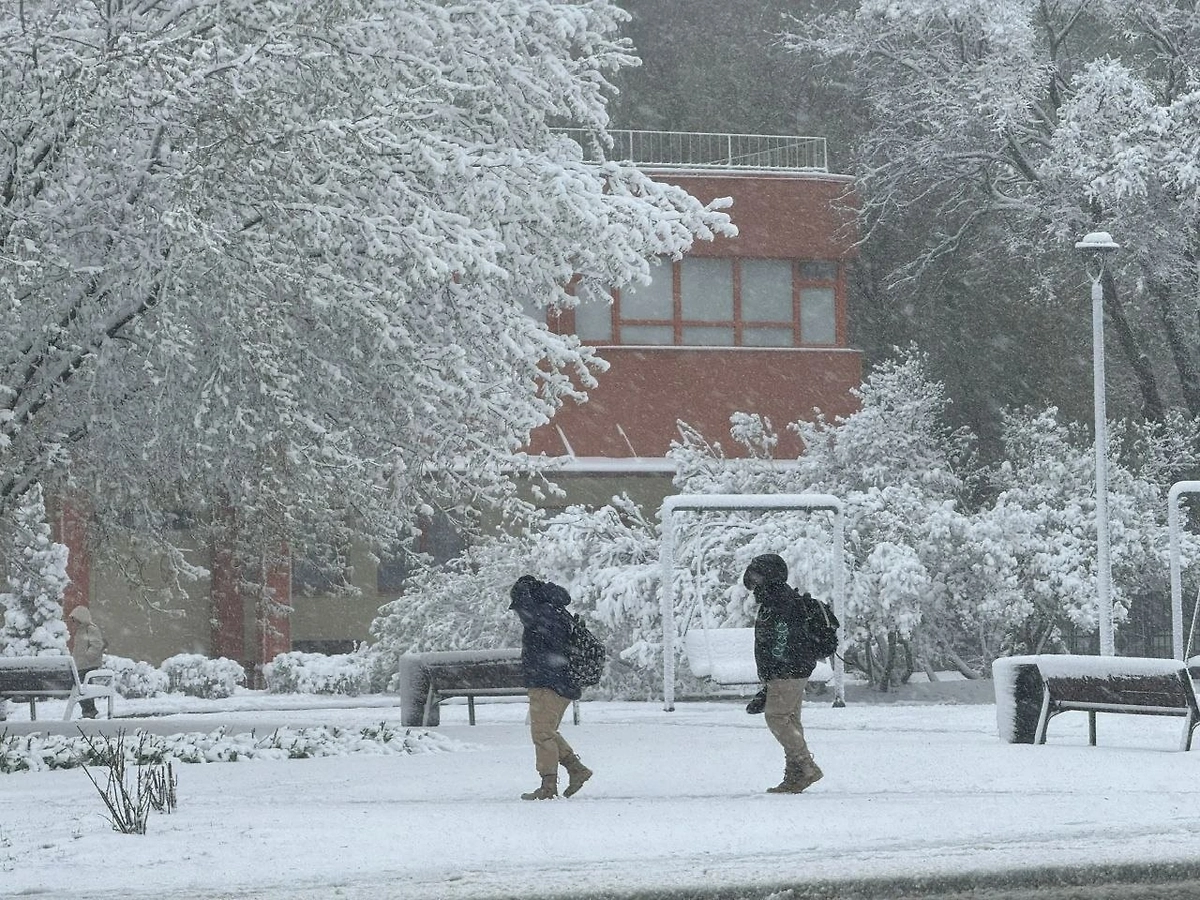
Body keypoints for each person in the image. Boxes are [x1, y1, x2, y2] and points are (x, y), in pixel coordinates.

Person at [744, 553, 825, 794]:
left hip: (788, 670)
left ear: (770, 575)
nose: (753, 580)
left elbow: (780, 640)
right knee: (790, 720)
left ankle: (806, 766)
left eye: (757, 575)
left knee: (776, 718)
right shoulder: (776, 599)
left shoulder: (780, 602)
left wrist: (775, 672)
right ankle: (795, 776)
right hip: (792, 668)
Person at [508, 574, 592, 800]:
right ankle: (576, 769)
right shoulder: (554, 611)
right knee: (547, 732)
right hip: (560, 682)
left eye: (519, 609)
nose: (518, 615)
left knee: (542, 734)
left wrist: (538, 674)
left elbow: (547, 652)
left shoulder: (541, 616)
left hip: (548, 683)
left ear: (525, 602)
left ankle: (548, 786)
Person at [66, 606, 106, 719]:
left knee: (83, 689)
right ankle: (88, 710)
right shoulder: (80, 631)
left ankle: (89, 711)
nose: (74, 623)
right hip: (81, 665)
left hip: (88, 665)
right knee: (81, 688)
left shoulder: (91, 629)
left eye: (75, 620)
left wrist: (88, 656)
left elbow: (97, 645)